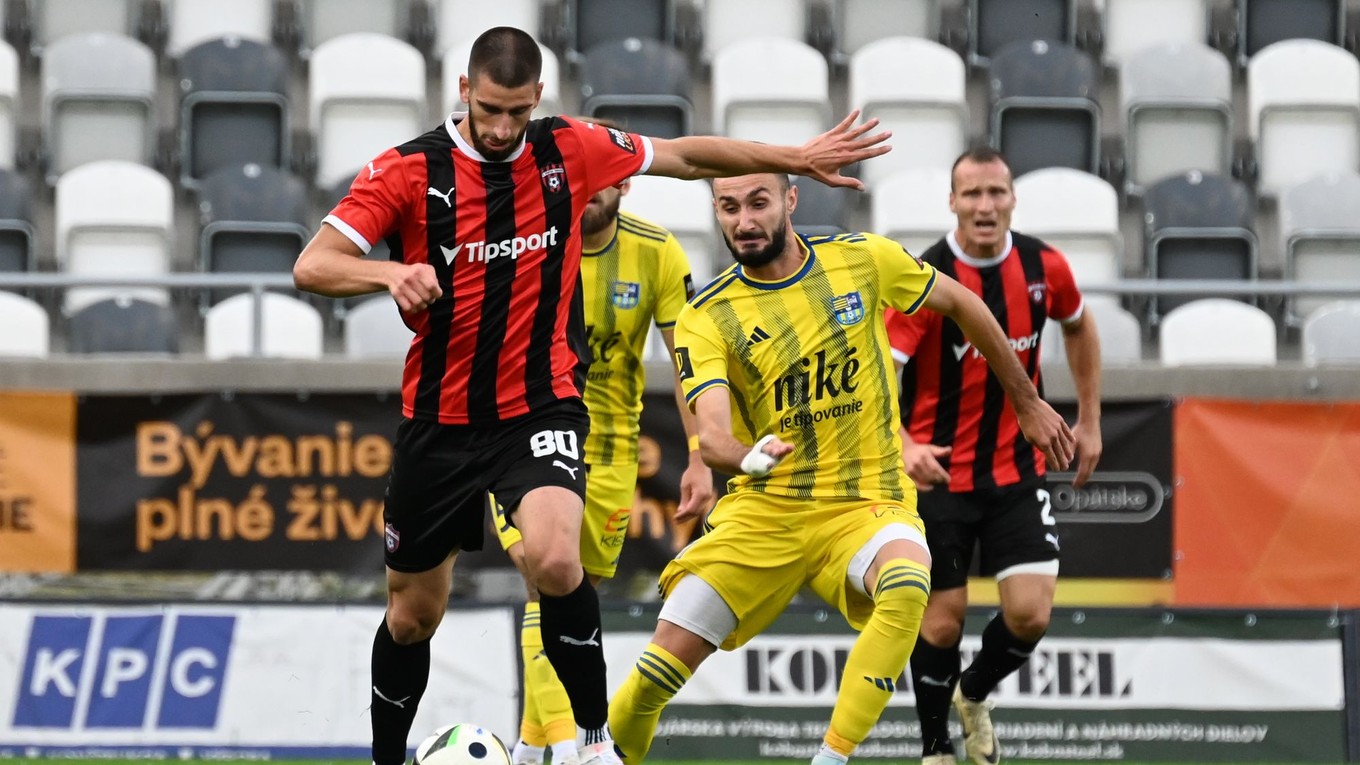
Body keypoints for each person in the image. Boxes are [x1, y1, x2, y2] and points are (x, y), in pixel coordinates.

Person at [291, 25, 891, 765]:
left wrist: (794, 156)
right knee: (413, 614)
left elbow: (688, 156)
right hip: (439, 420)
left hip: (539, 406)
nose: (505, 128)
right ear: (463, 94)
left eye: (517, 111)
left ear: (537, 98)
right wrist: (387, 275)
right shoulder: (409, 171)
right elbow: (313, 264)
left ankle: (595, 743)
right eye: (490, 112)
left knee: (554, 557)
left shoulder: (567, 147)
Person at [606, 172, 1075, 765]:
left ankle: (832, 758)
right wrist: (744, 456)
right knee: (654, 675)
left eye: (758, 203)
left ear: (790, 200)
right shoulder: (708, 314)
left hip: (866, 501)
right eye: (729, 208)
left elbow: (962, 302)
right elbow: (715, 435)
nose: (744, 221)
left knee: (908, 583)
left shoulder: (863, 260)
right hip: (767, 512)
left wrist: (1026, 400)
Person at [490, 164, 716, 765]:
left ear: (624, 186)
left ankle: (530, 746)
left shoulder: (657, 253)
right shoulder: (525, 243)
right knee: (545, 573)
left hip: (612, 450)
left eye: (600, 182)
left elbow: (688, 360)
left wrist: (698, 457)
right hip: (524, 436)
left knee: (574, 595)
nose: (586, 194)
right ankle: (577, 747)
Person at [886, 147, 1103, 765]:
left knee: (1031, 615)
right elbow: (878, 370)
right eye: (972, 194)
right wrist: (903, 446)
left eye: (996, 193)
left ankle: (973, 694)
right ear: (952, 203)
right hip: (939, 474)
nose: (985, 206)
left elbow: (1080, 326)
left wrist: (1089, 418)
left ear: (1012, 199)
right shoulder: (923, 276)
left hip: (1015, 470)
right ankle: (935, 751)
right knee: (941, 621)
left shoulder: (1044, 266)